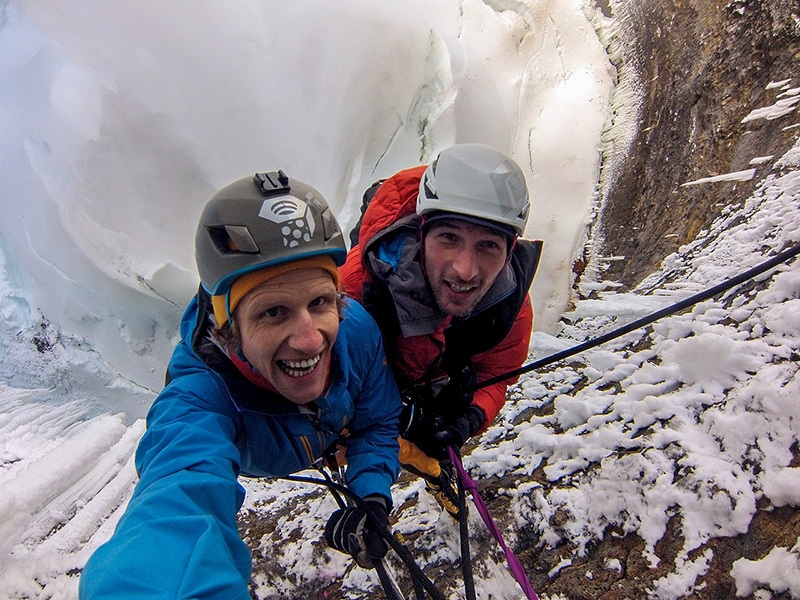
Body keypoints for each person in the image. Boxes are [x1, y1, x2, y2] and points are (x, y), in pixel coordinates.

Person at [80, 171, 402, 599]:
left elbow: (379, 419)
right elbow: (178, 503)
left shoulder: (355, 330)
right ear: (228, 327)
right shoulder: (202, 397)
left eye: (320, 301)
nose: (310, 338)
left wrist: (371, 497)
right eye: (273, 312)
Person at [340, 143, 542, 515]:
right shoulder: (355, 288)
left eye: (488, 246)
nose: (466, 270)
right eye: (449, 238)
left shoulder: (508, 307)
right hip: (373, 379)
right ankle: (431, 466)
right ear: (421, 234)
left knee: (432, 443)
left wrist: (470, 418)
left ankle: (437, 468)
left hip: (430, 375)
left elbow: (497, 373)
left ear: (510, 251)